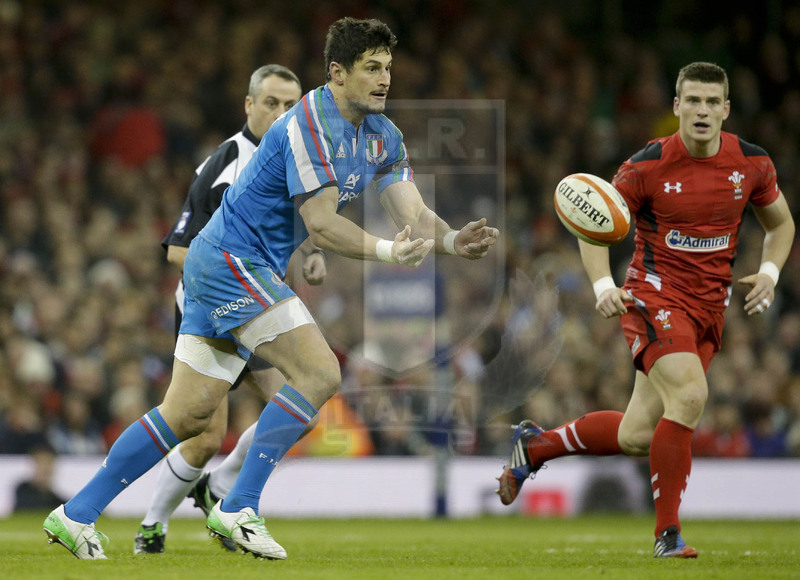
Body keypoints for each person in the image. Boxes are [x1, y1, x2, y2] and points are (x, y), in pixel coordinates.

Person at [44, 17, 499, 561]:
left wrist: (450, 241)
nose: (384, 80)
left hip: (237, 267)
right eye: (371, 68)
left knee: (186, 415)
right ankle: (239, 506)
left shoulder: (383, 135)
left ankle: (75, 514)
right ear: (337, 72)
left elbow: (412, 209)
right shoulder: (308, 122)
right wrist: (386, 252)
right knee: (320, 371)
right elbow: (324, 224)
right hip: (230, 261)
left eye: (388, 69)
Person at [497, 62, 795, 559]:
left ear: (725, 109)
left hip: (709, 309)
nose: (701, 111)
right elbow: (593, 225)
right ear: (677, 107)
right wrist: (601, 284)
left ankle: (535, 446)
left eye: (710, 102)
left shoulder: (752, 163)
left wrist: (770, 273)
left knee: (637, 434)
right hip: (654, 298)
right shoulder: (646, 165)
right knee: (691, 395)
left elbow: (781, 225)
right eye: (691, 101)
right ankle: (668, 535)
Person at [133, 64, 326, 555]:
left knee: (299, 406)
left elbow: (287, 228)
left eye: (291, 105)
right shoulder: (227, 161)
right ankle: (152, 526)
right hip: (217, 308)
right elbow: (178, 248)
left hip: (257, 305)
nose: (282, 113)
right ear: (249, 105)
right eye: (271, 103)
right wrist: (229, 268)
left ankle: (220, 488)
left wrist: (312, 253)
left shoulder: (290, 161)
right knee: (202, 433)